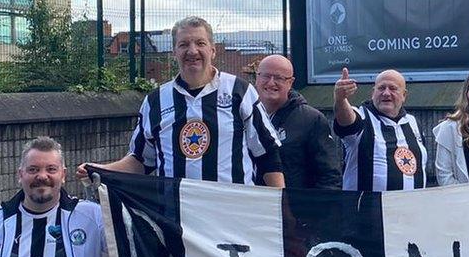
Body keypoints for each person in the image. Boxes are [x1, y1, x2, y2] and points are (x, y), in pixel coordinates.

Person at [76, 16, 284, 187]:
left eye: (200, 43)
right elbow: (141, 161)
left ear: (213, 50)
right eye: (184, 44)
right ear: (174, 52)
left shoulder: (240, 92)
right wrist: (101, 170)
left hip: (232, 218)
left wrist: (280, 210)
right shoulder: (155, 101)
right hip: (176, 221)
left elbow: (268, 157)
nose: (192, 51)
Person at [333, 67, 428, 191]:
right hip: (366, 208)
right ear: (373, 93)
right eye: (381, 88)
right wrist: (340, 100)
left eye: (393, 88)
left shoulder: (413, 122)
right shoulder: (362, 117)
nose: (386, 93)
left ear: (404, 95)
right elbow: (346, 121)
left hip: (410, 207)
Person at [254, 54, 341, 189]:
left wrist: (320, 208)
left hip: (294, 207)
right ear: (257, 78)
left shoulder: (311, 120)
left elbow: (329, 176)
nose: (271, 82)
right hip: (250, 205)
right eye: (265, 76)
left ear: (291, 82)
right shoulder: (243, 115)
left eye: (279, 78)